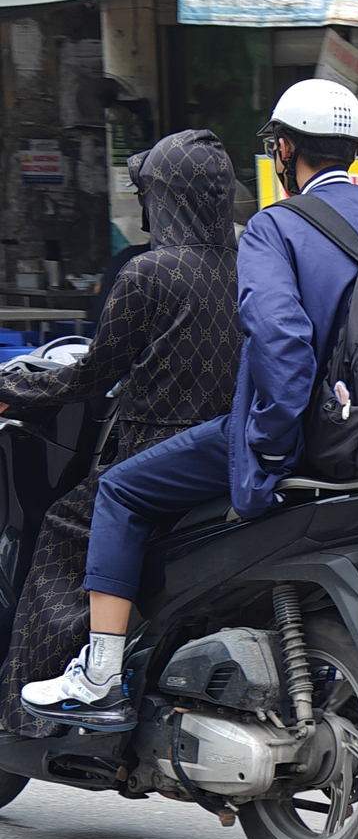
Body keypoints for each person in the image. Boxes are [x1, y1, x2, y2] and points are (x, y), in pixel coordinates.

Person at [22, 79, 358, 729]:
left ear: (287, 149)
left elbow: (281, 341)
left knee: (121, 492)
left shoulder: (276, 228)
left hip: (303, 439)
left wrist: (265, 444)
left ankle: (100, 674)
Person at [0, 130, 242, 737]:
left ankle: (39, 712)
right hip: (230, 451)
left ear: (166, 199)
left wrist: (17, 390)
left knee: (59, 529)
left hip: (150, 453)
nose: (142, 207)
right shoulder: (249, 268)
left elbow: (92, 375)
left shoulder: (148, 273)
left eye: (148, 194)